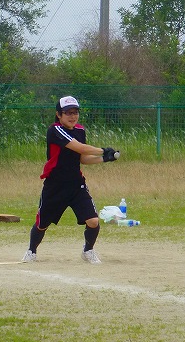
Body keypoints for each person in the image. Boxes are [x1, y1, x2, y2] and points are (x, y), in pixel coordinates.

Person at [22, 95, 120, 265]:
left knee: (93, 221)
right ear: (59, 115)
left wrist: (105, 158)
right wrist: (103, 150)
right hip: (55, 186)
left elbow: (82, 158)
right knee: (42, 223)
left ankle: (88, 251)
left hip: (76, 185)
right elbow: (79, 147)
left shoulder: (80, 131)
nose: (72, 116)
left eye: (75, 112)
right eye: (67, 113)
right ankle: (31, 251)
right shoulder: (55, 130)